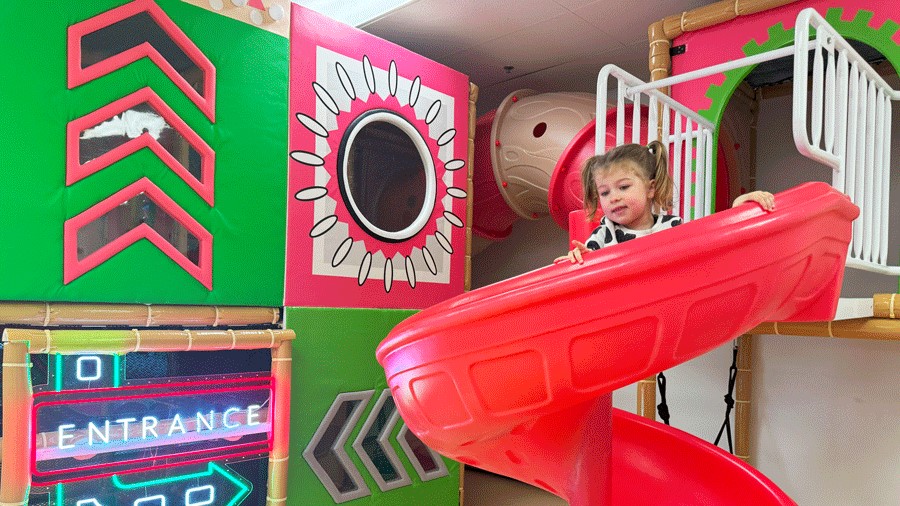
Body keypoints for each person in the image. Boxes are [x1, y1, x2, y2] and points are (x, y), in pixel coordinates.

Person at [559, 140, 775, 263]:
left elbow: (711, 237)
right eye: (604, 193)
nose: (613, 197)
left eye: (623, 187)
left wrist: (737, 209)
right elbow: (588, 263)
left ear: (650, 188)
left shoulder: (671, 227)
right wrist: (580, 257)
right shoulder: (605, 234)